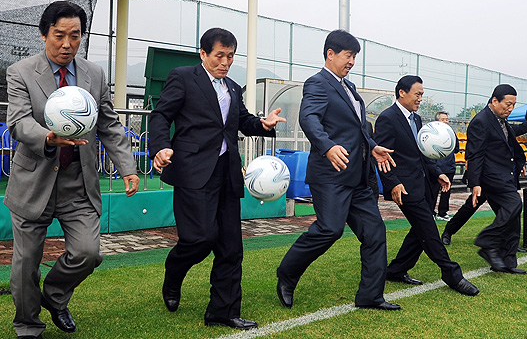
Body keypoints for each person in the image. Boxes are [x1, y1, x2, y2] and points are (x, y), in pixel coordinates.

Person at [4, 1, 140, 339]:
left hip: (77, 183)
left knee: (88, 253)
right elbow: (18, 121)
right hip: (32, 181)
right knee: (25, 266)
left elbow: (108, 124)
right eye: (59, 35)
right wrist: (47, 137)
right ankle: (28, 326)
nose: (67, 44)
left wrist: (127, 166)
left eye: (75, 36)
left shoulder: (94, 74)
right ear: (44, 34)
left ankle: (54, 296)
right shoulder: (20, 72)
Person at [149, 28, 286, 330]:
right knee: (199, 239)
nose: (225, 62)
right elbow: (160, 116)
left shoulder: (233, 88)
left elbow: (242, 121)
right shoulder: (183, 77)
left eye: (230, 56)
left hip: (227, 174)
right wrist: (159, 146)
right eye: (219, 55)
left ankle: (222, 312)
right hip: (193, 172)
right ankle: (174, 273)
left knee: (231, 247)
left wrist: (264, 124)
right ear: (203, 54)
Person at [276, 29, 400, 311]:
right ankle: (287, 273)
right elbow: (309, 118)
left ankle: (371, 296)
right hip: (331, 175)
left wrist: (372, 145)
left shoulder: (350, 88)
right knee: (329, 230)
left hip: (358, 177)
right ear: (330, 54)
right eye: (348, 55)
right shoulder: (318, 83)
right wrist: (328, 146)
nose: (352, 61)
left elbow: (357, 129)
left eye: (355, 56)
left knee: (375, 233)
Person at [374, 75, 479, 296]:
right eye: (418, 94)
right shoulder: (387, 118)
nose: (421, 98)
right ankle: (452, 274)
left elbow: (423, 155)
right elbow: (382, 157)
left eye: (422, 95)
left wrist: (438, 173)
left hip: (424, 183)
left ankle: (396, 270)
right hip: (404, 187)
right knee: (429, 230)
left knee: (420, 230)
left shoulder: (418, 119)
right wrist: (392, 183)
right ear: (402, 92)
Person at [467, 84, 527, 274]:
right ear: (494, 101)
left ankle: (507, 262)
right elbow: (474, 155)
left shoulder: (500, 120)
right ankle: (487, 240)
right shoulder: (481, 121)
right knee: (515, 203)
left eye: (513, 105)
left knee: (513, 219)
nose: (511, 108)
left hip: (504, 174)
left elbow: (514, 132)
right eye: (508, 104)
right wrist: (475, 183)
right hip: (491, 176)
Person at [431, 111, 459, 221]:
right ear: (437, 121)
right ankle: (431, 212)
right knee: (433, 191)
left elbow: (456, 148)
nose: (446, 121)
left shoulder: (451, 133)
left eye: (447, 119)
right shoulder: (432, 133)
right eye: (443, 119)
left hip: (449, 166)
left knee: (446, 191)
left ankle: (442, 213)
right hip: (436, 167)